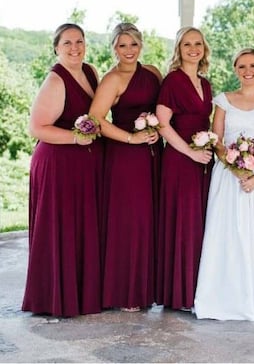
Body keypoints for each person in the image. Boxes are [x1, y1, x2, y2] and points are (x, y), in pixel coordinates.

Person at [194, 48, 254, 321]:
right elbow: (217, 138)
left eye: (253, 65)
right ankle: (226, 297)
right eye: (242, 66)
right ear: (235, 69)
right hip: (228, 177)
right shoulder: (223, 101)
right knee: (229, 234)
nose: (248, 71)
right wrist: (236, 168)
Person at [22, 23, 102, 317]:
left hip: (81, 167)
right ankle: (53, 297)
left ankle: (81, 293)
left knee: (79, 229)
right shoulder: (56, 81)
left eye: (79, 42)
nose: (74, 48)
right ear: (56, 47)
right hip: (57, 164)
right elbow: (36, 128)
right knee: (60, 229)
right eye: (67, 43)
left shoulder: (91, 72)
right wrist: (76, 137)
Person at [89, 22, 162, 312]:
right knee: (129, 222)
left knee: (148, 221)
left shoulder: (154, 73)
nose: (128, 51)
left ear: (141, 44)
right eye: (122, 45)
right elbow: (95, 119)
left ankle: (147, 289)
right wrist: (132, 138)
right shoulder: (112, 79)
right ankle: (126, 291)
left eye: (133, 44)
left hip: (153, 154)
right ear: (114, 49)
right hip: (125, 157)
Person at [155, 27, 213, 311]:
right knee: (183, 223)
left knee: (200, 223)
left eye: (198, 43)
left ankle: (197, 290)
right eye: (187, 44)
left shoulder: (205, 83)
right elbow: (163, 124)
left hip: (203, 160)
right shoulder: (173, 81)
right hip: (180, 160)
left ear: (204, 48)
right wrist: (190, 152)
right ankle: (178, 294)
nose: (193, 48)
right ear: (178, 49)